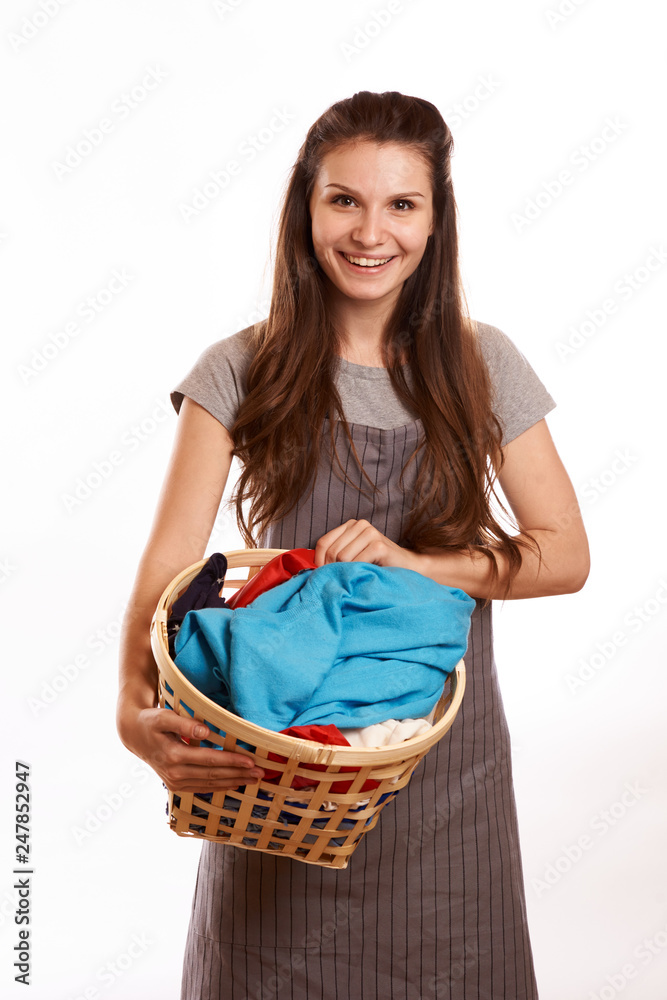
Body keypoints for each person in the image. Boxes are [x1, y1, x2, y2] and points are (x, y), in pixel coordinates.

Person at [116, 90, 590, 1000]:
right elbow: (168, 571)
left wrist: (419, 565)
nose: (371, 231)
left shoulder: (481, 362)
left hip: (446, 775)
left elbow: (564, 552)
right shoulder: (239, 369)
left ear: (435, 220)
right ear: (305, 205)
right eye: (344, 199)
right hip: (281, 775)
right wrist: (131, 718)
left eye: (402, 204)